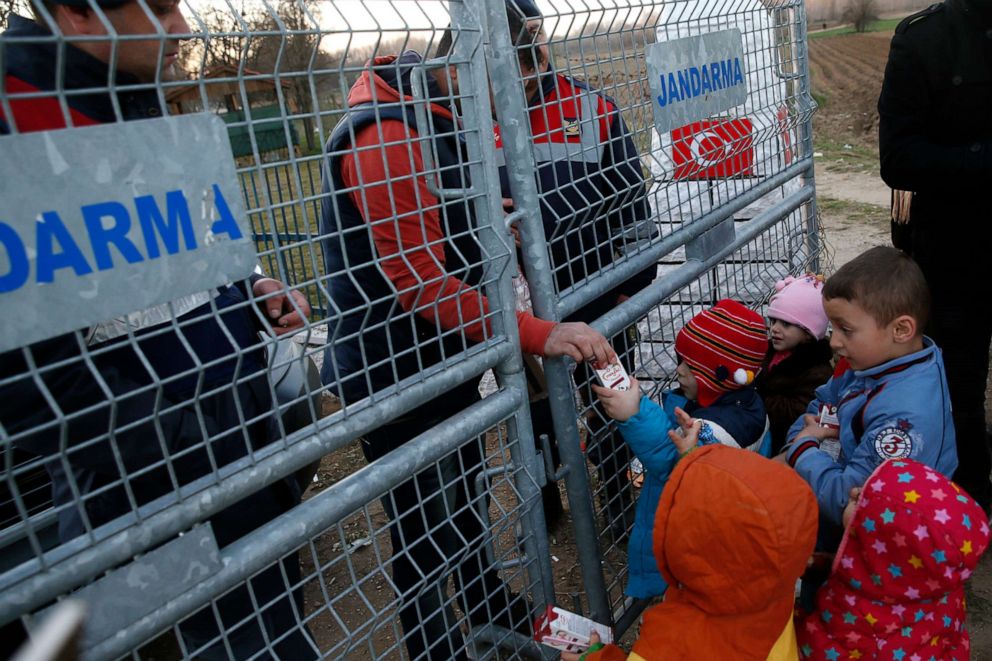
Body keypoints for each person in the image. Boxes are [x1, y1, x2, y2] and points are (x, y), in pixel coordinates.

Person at [0, 2, 318, 658]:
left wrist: (244, 284)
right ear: (75, 14)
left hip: (239, 444)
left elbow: (185, 243)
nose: (183, 27)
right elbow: (34, 385)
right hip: (146, 489)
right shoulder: (14, 120)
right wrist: (192, 442)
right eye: (162, 8)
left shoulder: (131, 91)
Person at [318, 18, 617, 660]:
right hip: (391, 364)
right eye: (511, 87)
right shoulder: (389, 133)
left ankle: (485, 600)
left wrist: (479, 226)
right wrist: (539, 333)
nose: (517, 105)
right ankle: (434, 644)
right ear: (474, 68)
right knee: (422, 519)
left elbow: (437, 228)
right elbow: (417, 280)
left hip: (444, 352)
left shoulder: (436, 115)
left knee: (466, 489)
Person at [878, 0, 992, 511]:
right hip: (956, 251)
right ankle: (969, 509)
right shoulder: (924, 39)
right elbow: (898, 158)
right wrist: (981, 160)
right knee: (959, 389)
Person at [562, 444, 818, 661]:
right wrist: (693, 468)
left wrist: (594, 656)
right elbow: (731, 520)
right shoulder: (776, 582)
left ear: (690, 547)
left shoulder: (671, 641)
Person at [780, 247, 957, 548]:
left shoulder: (902, 423)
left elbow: (852, 502)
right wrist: (807, 434)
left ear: (901, 329)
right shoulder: (883, 361)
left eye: (845, 330)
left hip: (881, 547)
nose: (834, 341)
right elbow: (826, 399)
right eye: (833, 327)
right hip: (834, 470)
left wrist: (803, 448)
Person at [593, 299, 771, 599]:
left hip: (693, 552)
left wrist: (633, 413)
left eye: (689, 365)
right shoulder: (746, 406)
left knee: (680, 607)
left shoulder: (720, 429)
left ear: (718, 374)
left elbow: (672, 463)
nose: (679, 371)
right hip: (709, 541)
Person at [797, 458, 990, 660]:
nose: (853, 491)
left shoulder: (857, 617)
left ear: (885, 547)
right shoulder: (940, 580)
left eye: (860, 499)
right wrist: (822, 564)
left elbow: (817, 649)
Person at [754, 274, 833, 455]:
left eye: (786, 324)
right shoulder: (768, 352)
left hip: (785, 444)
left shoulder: (816, 369)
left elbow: (798, 412)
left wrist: (757, 397)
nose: (774, 328)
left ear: (808, 332)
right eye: (773, 320)